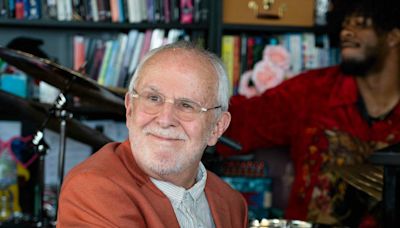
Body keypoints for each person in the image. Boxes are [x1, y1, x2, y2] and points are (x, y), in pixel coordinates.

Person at [217, 0, 400, 226]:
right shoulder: (311, 92)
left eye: (361, 24)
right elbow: (240, 122)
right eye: (344, 24)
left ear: (393, 36)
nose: (346, 32)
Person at [57, 41, 248, 227]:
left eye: (187, 105)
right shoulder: (92, 189)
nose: (165, 119)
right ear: (130, 109)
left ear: (217, 127)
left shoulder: (232, 204)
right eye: (153, 98)